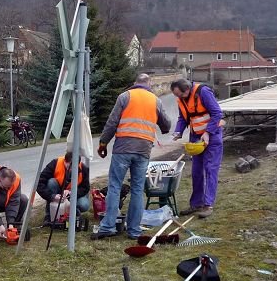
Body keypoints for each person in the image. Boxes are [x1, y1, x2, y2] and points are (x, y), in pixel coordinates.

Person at [91, 74, 171, 240]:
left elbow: (112, 123)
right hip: (143, 150)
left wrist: (103, 143)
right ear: (149, 85)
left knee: (114, 186)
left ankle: (107, 227)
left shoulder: (125, 96)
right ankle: (134, 230)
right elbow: (167, 124)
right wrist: (161, 128)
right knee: (137, 189)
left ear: (135, 84)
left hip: (123, 148)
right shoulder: (156, 100)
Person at [170, 78, 224, 218]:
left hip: (212, 136)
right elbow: (183, 118)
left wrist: (208, 133)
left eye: (180, 95)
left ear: (187, 90)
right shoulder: (181, 99)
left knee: (210, 170)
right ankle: (196, 204)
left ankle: (208, 205)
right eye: (176, 96)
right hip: (195, 138)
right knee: (196, 172)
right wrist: (178, 131)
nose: (178, 98)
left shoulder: (203, 92)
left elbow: (217, 113)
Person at [37, 150, 90, 222]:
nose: (71, 170)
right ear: (65, 161)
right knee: (51, 182)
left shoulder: (83, 169)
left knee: (84, 205)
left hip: (74, 195)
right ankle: (50, 214)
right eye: (69, 166)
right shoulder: (55, 164)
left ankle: (73, 211)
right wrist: (52, 196)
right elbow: (39, 183)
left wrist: (71, 192)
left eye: (74, 167)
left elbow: (85, 188)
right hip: (57, 192)